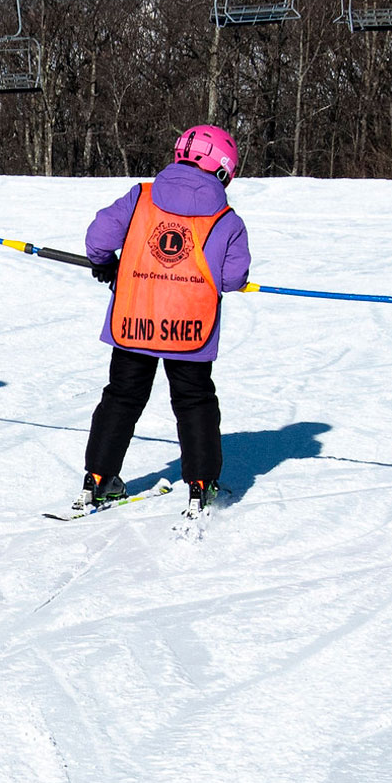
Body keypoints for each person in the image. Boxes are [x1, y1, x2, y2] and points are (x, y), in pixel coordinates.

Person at [79, 124, 252, 517]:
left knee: (121, 397)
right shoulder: (227, 218)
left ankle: (98, 478)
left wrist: (107, 265)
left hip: (134, 320)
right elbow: (231, 278)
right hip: (190, 328)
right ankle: (202, 483)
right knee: (194, 401)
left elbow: (98, 239)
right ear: (223, 170)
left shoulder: (140, 197)